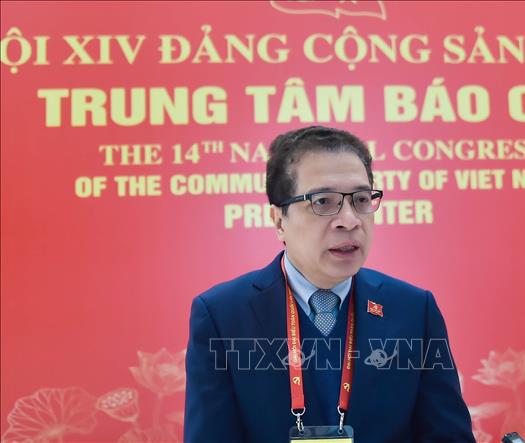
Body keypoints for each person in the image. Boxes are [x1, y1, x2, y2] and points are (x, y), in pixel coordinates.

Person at [184, 126, 475, 443]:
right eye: (323, 201)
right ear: (279, 220)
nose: (349, 220)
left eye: (361, 199)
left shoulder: (414, 310)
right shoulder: (223, 316)